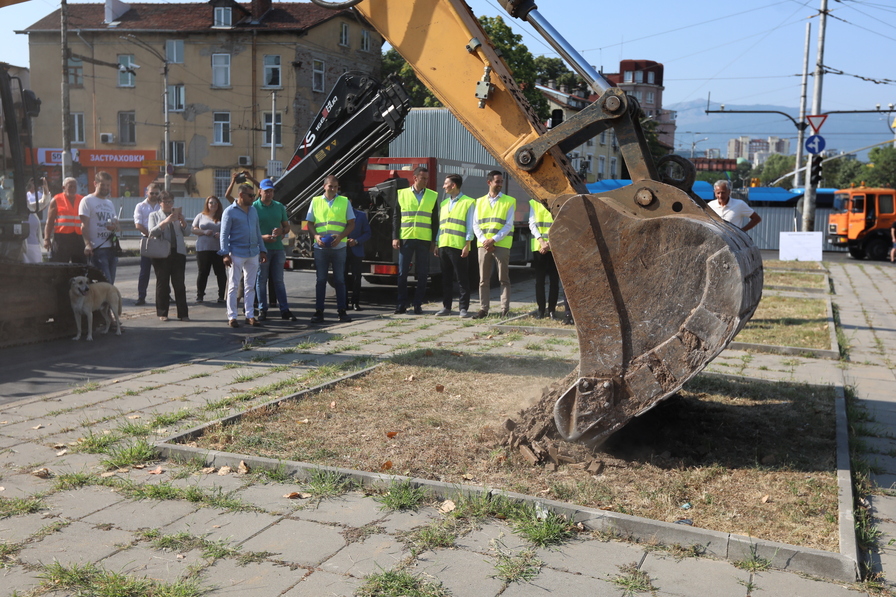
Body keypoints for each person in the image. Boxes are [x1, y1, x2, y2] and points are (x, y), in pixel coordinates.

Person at [307, 175, 355, 323]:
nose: (333, 189)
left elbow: (351, 223)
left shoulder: (344, 201)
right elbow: (309, 223)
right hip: (321, 247)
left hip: (339, 246)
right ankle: (319, 312)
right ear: (324, 186)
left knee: (340, 280)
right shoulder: (315, 201)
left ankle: (342, 311)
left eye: (335, 187)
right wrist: (316, 237)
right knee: (321, 280)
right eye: (330, 186)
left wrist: (340, 237)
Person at [392, 166, 438, 315]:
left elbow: (434, 220)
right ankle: (401, 304)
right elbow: (396, 217)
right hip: (406, 237)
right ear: (415, 178)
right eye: (423, 178)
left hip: (424, 239)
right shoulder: (402, 194)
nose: (425, 181)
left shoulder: (432, 195)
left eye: (427, 178)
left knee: (423, 273)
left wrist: (433, 241)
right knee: (402, 273)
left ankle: (418, 304)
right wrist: (395, 237)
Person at [220, 183, 267, 328]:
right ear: (241, 195)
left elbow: (257, 232)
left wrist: (263, 249)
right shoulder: (229, 211)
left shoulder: (253, 211)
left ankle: (250, 315)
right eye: (251, 195)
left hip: (252, 253)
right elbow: (224, 234)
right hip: (236, 253)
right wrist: (225, 253)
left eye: (254, 195)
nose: (254, 198)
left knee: (250, 286)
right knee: (233, 286)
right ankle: (232, 317)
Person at [472, 170, 515, 319]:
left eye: (501, 182)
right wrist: (485, 240)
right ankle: (483, 309)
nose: (500, 184)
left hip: (501, 244)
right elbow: (475, 224)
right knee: (483, 279)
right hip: (483, 245)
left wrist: (493, 240)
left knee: (504, 279)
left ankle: (505, 309)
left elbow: (508, 225)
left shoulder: (509, 201)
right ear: (489, 182)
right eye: (497, 181)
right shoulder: (478, 202)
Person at [254, 178, 296, 321]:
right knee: (261, 280)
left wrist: (281, 231)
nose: (269, 194)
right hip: (262, 249)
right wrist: (262, 237)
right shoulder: (254, 207)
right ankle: (262, 310)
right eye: (266, 191)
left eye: (271, 191)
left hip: (278, 248)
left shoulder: (279, 207)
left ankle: (284, 310)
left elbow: (287, 227)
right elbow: (249, 231)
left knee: (278, 281)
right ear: (260, 191)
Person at [434, 174, 475, 318]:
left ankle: (463, 308)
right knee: (445, 278)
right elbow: (441, 225)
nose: (443, 186)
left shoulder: (468, 202)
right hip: (444, 244)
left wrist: (467, 244)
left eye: (446, 184)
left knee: (462, 279)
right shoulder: (444, 203)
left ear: (453, 185)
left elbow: (470, 225)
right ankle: (447, 307)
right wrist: (437, 242)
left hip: (458, 246)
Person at [148, 191, 190, 321]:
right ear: (159, 203)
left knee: (179, 284)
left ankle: (183, 314)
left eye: (170, 201)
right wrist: (165, 221)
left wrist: (183, 222)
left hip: (178, 253)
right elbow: (152, 232)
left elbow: (187, 232)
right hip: (161, 254)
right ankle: (162, 313)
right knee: (163, 284)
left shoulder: (177, 215)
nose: (168, 204)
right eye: (165, 201)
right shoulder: (154, 215)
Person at [79, 171, 120, 283]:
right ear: (95, 184)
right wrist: (87, 244)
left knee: (110, 284)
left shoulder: (109, 203)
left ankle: (106, 301)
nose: (106, 188)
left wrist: (115, 227)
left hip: (111, 247)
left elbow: (117, 225)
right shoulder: (87, 201)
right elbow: (84, 225)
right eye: (103, 184)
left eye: (108, 185)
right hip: (97, 248)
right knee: (105, 283)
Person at [192, 196, 227, 304]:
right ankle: (200, 295)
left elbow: (229, 230)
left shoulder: (223, 217)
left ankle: (222, 295)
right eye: (211, 203)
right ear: (207, 204)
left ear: (218, 205)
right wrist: (204, 232)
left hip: (218, 249)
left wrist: (221, 235)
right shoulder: (200, 216)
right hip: (203, 249)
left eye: (215, 203)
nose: (213, 205)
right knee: (203, 272)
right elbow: (193, 229)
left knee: (220, 272)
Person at [529, 198, 559, 319]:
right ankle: (541, 309)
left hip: (554, 247)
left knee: (554, 280)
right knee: (539, 281)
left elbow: (559, 224)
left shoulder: (557, 203)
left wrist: (549, 243)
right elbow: (532, 224)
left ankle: (552, 309)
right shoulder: (534, 203)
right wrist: (542, 242)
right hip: (539, 247)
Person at [43, 177, 86, 264]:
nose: (73, 189)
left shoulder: (82, 200)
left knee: (80, 265)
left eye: (74, 187)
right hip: (62, 238)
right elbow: (50, 221)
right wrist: (47, 239)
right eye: (70, 186)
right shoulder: (56, 199)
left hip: (78, 238)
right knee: (59, 264)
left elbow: (87, 220)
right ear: (63, 188)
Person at [133, 183, 162, 305]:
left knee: (161, 271)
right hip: (146, 239)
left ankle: (165, 295)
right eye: (152, 193)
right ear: (147, 192)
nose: (154, 195)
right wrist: (150, 234)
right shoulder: (140, 206)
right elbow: (138, 224)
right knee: (144, 270)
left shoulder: (161, 206)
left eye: (156, 193)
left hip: (160, 240)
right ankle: (141, 296)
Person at [346, 197, 372, 311]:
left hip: (356, 250)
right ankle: (344, 302)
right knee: (342, 277)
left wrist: (356, 241)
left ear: (351, 201)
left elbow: (367, 233)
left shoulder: (360, 215)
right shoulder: (338, 215)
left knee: (357, 277)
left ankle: (355, 302)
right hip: (342, 249)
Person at [23, 177, 50, 263]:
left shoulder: (31, 207)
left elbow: (44, 201)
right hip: (20, 249)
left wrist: (45, 187)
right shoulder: (13, 209)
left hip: (34, 247)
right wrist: (26, 187)